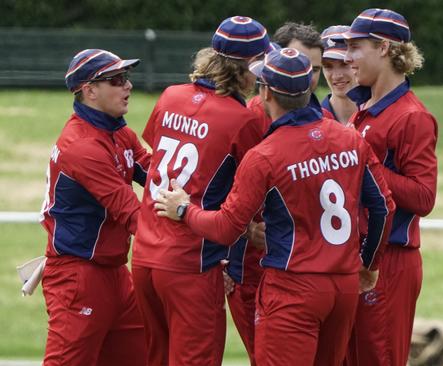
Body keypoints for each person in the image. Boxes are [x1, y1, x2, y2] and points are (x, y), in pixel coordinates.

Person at [154, 48, 396, 366]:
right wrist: (369, 262)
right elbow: (383, 207)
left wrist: (185, 210)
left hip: (292, 288)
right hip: (343, 286)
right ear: (308, 88)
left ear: (266, 91)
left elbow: (227, 227)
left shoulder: (265, 155)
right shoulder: (351, 139)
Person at [131, 16, 269, 366]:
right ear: (245, 69)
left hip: (145, 257)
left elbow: (159, 156)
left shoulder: (171, 95)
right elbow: (253, 191)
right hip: (192, 263)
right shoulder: (245, 119)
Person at [334, 8, 439, 366]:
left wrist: (364, 164)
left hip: (391, 261)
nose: (347, 58)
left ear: (384, 48)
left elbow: (424, 196)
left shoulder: (413, 117)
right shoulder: (363, 107)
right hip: (355, 257)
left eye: (355, 46)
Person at [227, 21, 334, 362]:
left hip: (310, 270)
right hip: (256, 265)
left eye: (315, 68)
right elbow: (221, 187)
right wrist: (237, 240)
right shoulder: (252, 118)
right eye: (296, 60)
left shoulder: (323, 119)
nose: (305, 73)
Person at [39, 49, 149, 366]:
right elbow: (133, 215)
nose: (127, 86)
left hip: (114, 271)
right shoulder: (82, 146)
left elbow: (158, 176)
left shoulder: (119, 132)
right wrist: (202, 239)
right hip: (77, 276)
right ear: (89, 90)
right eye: (116, 80)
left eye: (126, 78)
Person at [320, 25, 358, 123]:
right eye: (328, 66)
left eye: (344, 64)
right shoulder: (314, 121)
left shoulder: (379, 116)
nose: (337, 76)